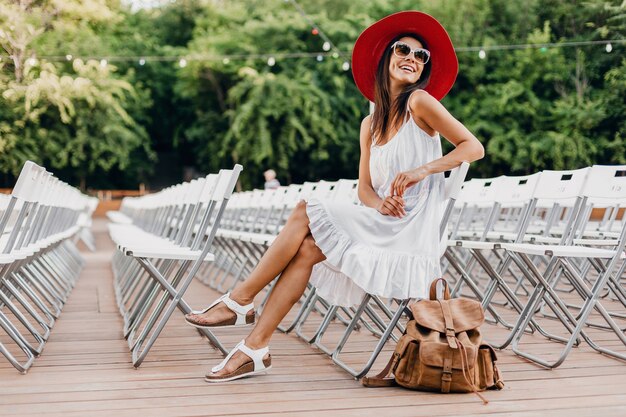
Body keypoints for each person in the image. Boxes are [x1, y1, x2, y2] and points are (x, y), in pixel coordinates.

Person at [184, 11, 484, 383]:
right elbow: (364, 189)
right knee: (308, 249)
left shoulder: (419, 102)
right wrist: (379, 203)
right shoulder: (369, 125)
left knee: (304, 209)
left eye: (421, 56)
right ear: (386, 57)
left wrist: (424, 170)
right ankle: (254, 348)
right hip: (384, 219)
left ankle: (240, 300)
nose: (412, 58)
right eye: (403, 49)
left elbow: (474, 147)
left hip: (414, 228)